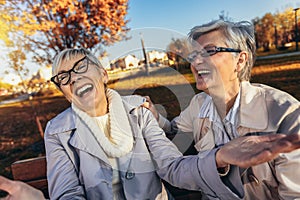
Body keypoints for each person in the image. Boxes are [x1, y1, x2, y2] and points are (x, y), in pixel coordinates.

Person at [0, 48, 299, 200]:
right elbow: (67, 194)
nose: (74, 77)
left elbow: (172, 166)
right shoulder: (58, 131)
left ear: (103, 74)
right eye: (63, 77)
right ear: (63, 90)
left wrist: (218, 157)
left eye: (80, 67)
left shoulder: (138, 112)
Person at [144, 19, 300, 199]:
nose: (196, 62)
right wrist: (155, 117)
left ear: (240, 61)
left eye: (210, 51)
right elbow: (173, 130)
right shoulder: (199, 104)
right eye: (194, 56)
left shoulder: (287, 115)